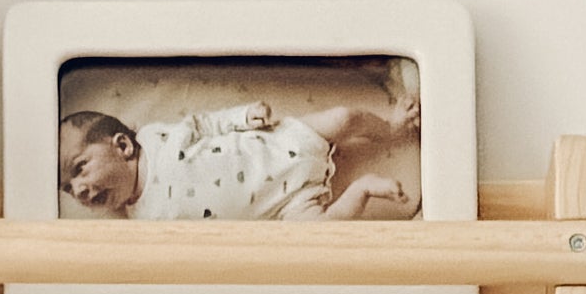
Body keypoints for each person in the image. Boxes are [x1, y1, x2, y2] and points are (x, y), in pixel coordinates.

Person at [59, 80, 420, 221]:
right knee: (320, 235)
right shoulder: (142, 222)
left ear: (122, 145)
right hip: (283, 205)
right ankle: (362, 190)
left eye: (79, 168)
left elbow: (203, 124)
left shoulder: (155, 140)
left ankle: (391, 127)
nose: (79, 190)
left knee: (344, 117)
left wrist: (242, 116)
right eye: (68, 188)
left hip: (279, 145)